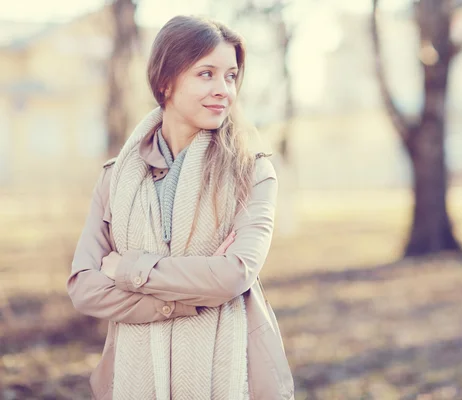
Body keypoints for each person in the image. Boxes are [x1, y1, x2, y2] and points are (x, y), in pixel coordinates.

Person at [67, 15, 294, 400]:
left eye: (231, 76)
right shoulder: (116, 178)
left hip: (230, 376)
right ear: (165, 81)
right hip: (133, 378)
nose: (224, 89)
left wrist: (127, 269)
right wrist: (192, 295)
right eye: (206, 74)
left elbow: (232, 276)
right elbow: (85, 288)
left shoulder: (251, 171)